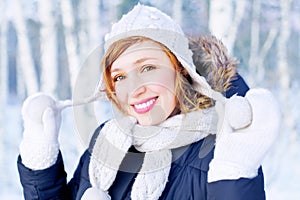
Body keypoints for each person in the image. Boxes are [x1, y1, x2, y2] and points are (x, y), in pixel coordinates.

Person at [17, 4, 280, 200]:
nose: (134, 89)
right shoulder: (109, 141)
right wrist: (40, 159)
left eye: (148, 68)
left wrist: (234, 174)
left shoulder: (219, 149)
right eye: (119, 76)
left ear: (182, 70)